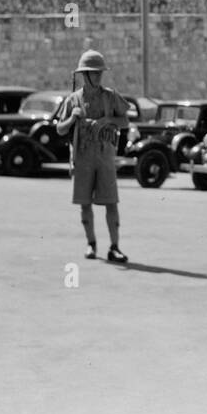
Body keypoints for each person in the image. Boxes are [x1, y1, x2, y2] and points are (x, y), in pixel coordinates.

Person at [56, 50, 130, 263]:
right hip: (82, 156)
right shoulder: (73, 100)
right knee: (84, 203)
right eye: (94, 73)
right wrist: (72, 118)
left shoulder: (110, 96)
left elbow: (124, 121)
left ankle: (114, 247)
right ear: (84, 75)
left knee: (111, 203)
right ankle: (91, 243)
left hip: (105, 156)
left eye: (100, 73)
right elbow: (60, 129)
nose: (98, 77)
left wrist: (107, 120)